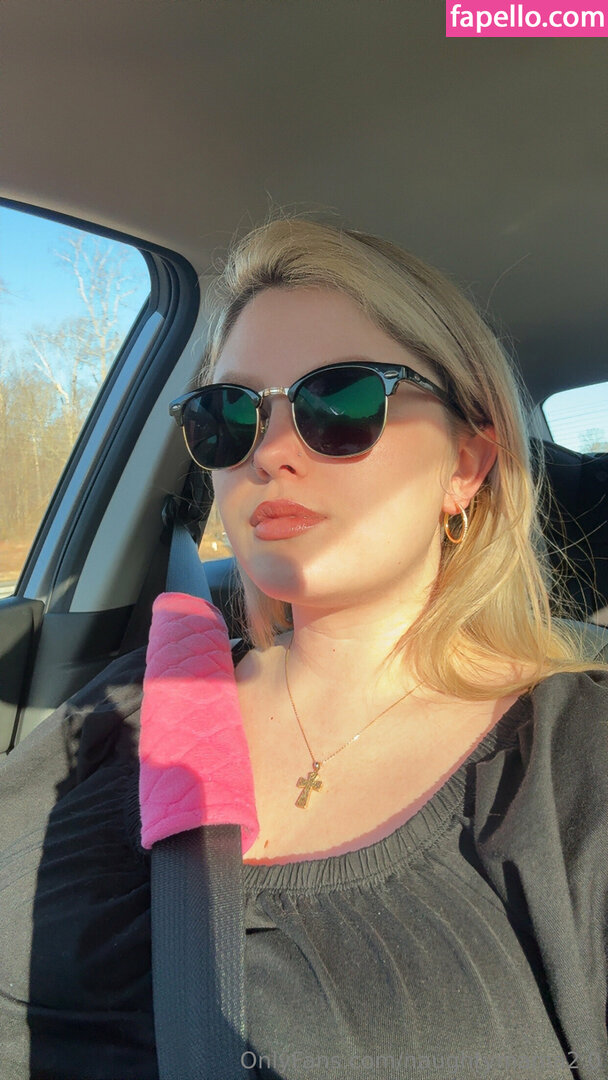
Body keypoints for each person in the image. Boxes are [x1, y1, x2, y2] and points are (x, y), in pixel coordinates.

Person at [1, 216, 607, 1080]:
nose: (272, 453)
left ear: (466, 466)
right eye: (228, 415)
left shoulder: (578, 768)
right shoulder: (126, 706)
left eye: (342, 402)